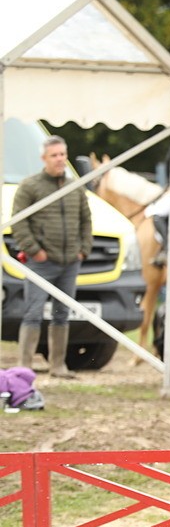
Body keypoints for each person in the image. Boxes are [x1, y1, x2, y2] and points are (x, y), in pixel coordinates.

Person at [11, 136, 91, 378]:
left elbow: (86, 220)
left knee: (62, 313)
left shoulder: (75, 187)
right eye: (54, 155)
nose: (60, 160)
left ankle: (58, 365)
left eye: (63, 155)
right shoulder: (30, 186)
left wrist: (83, 250)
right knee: (33, 312)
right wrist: (35, 250)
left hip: (70, 262)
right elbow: (18, 222)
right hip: (41, 263)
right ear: (43, 158)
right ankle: (24, 366)